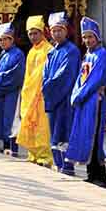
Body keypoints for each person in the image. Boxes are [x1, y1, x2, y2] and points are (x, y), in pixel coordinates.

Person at [67, 17, 106, 188]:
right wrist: (75, 93)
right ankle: (90, 173)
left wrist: (79, 95)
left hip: (95, 100)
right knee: (85, 135)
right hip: (84, 101)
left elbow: (95, 80)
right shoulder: (87, 55)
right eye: (84, 37)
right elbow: (80, 78)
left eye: (90, 37)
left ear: (97, 37)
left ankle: (100, 175)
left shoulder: (103, 55)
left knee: (95, 137)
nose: (87, 41)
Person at [41, 12, 81, 175]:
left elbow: (65, 75)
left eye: (60, 30)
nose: (56, 33)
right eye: (54, 30)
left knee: (64, 129)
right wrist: (46, 85)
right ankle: (58, 164)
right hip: (53, 96)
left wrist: (49, 87)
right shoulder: (52, 52)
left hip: (64, 97)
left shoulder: (72, 51)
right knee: (54, 130)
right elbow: (46, 73)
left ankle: (67, 166)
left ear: (66, 31)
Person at [16, 15, 53, 166]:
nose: (32, 36)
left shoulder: (49, 50)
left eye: (35, 33)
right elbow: (28, 74)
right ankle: (33, 153)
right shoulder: (31, 51)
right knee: (29, 122)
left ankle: (45, 155)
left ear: (42, 32)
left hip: (41, 94)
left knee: (42, 125)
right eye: (30, 34)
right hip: (29, 93)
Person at [0, 22, 26, 156]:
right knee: (1, 118)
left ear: (11, 39)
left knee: (11, 119)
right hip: (2, 92)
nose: (2, 42)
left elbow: (16, 75)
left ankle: (12, 147)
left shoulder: (18, 54)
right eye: (0, 40)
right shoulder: (3, 54)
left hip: (12, 93)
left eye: (5, 39)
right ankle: (3, 145)